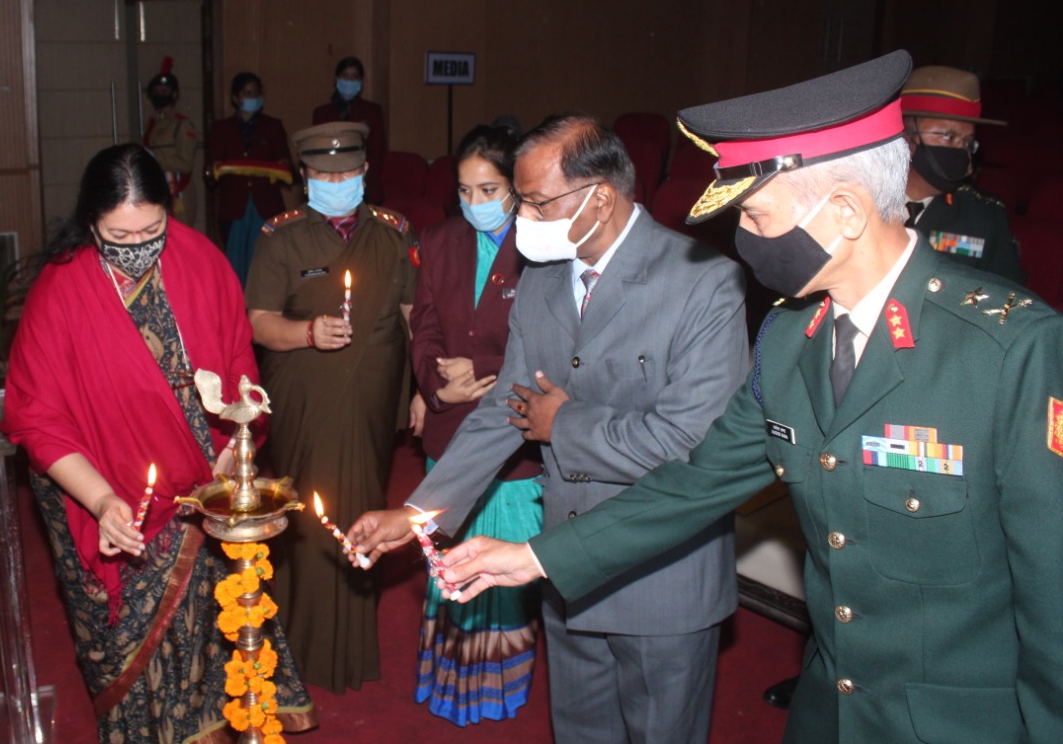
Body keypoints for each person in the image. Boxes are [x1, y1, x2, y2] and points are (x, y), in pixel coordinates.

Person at [437, 51, 1063, 743]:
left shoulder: (1013, 353)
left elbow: (1054, 611)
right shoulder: (792, 338)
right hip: (829, 710)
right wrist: (534, 557)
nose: (744, 241)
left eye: (759, 217)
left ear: (847, 212)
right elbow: (692, 485)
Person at [350, 114, 750, 742]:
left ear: (599, 199)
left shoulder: (701, 282)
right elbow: (503, 411)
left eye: (534, 204)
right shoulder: (542, 278)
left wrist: (564, 424)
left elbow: (694, 446)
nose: (522, 222)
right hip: (563, 568)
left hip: (661, 579)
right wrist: (419, 512)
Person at [1, 144, 315, 741]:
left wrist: (234, 450)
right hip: (105, 488)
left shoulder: (201, 261)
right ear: (90, 223)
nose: (138, 245)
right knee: (131, 643)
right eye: (119, 234)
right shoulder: (59, 292)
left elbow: (239, 369)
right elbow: (37, 420)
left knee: (213, 615)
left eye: (153, 228)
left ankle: (217, 725)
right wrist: (100, 502)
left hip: (203, 475)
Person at [245, 121, 417, 694]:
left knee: (365, 513)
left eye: (346, 172)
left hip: (371, 402)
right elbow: (259, 323)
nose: (336, 181)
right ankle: (301, 652)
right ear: (305, 176)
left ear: (366, 170)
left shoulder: (394, 233)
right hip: (305, 399)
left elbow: (416, 319)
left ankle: (355, 651)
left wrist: (421, 391)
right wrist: (308, 333)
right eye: (323, 173)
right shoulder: (281, 237)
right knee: (309, 521)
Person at [409, 123, 541, 726]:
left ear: (516, 187)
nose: (475, 202)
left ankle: (499, 687)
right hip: (450, 426)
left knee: (504, 565)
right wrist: (437, 385)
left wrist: (481, 368)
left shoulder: (546, 246)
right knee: (449, 561)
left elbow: (557, 343)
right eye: (465, 190)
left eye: (488, 188)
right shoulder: (438, 242)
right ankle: (449, 680)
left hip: (516, 429)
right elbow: (425, 327)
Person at [899, 65, 1025, 282]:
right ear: (906, 137)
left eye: (966, 142)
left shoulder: (983, 218)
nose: (960, 151)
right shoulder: (858, 202)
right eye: (948, 136)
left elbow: (1009, 300)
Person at [205, 71, 293, 284]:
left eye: (256, 93)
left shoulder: (273, 126)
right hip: (235, 207)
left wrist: (283, 167)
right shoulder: (221, 129)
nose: (252, 97)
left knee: (265, 263)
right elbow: (208, 173)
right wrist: (214, 169)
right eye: (247, 93)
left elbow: (288, 165)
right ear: (235, 98)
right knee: (235, 268)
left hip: (266, 206)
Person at [312, 56, 386, 204]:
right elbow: (318, 152)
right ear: (337, 79)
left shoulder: (372, 111)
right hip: (329, 184)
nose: (350, 81)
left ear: (361, 82)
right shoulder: (322, 113)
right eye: (345, 76)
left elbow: (377, 152)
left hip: (363, 184)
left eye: (355, 77)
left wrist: (359, 177)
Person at [142, 57, 200, 229]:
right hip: (158, 191)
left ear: (174, 94)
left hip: (178, 192)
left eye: (164, 91)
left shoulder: (182, 125)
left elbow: (186, 163)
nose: (160, 95)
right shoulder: (152, 124)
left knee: (179, 236)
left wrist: (155, 159)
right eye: (157, 91)